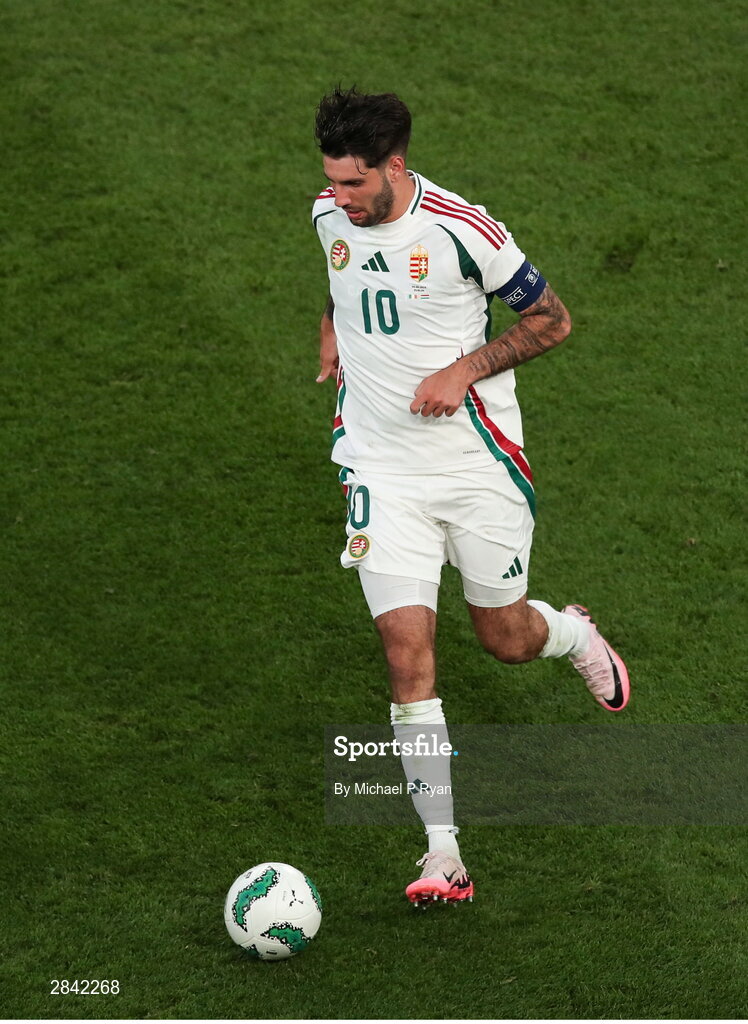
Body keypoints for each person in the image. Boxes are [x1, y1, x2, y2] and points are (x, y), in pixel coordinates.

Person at [311, 87, 630, 906]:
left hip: (474, 467)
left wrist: (465, 368)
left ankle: (572, 632)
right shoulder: (329, 216)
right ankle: (442, 853)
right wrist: (333, 331)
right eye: (331, 181)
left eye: (353, 183)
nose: (338, 197)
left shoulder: (464, 231)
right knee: (405, 656)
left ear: (395, 166)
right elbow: (342, 278)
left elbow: (553, 320)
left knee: (505, 638)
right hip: (380, 469)